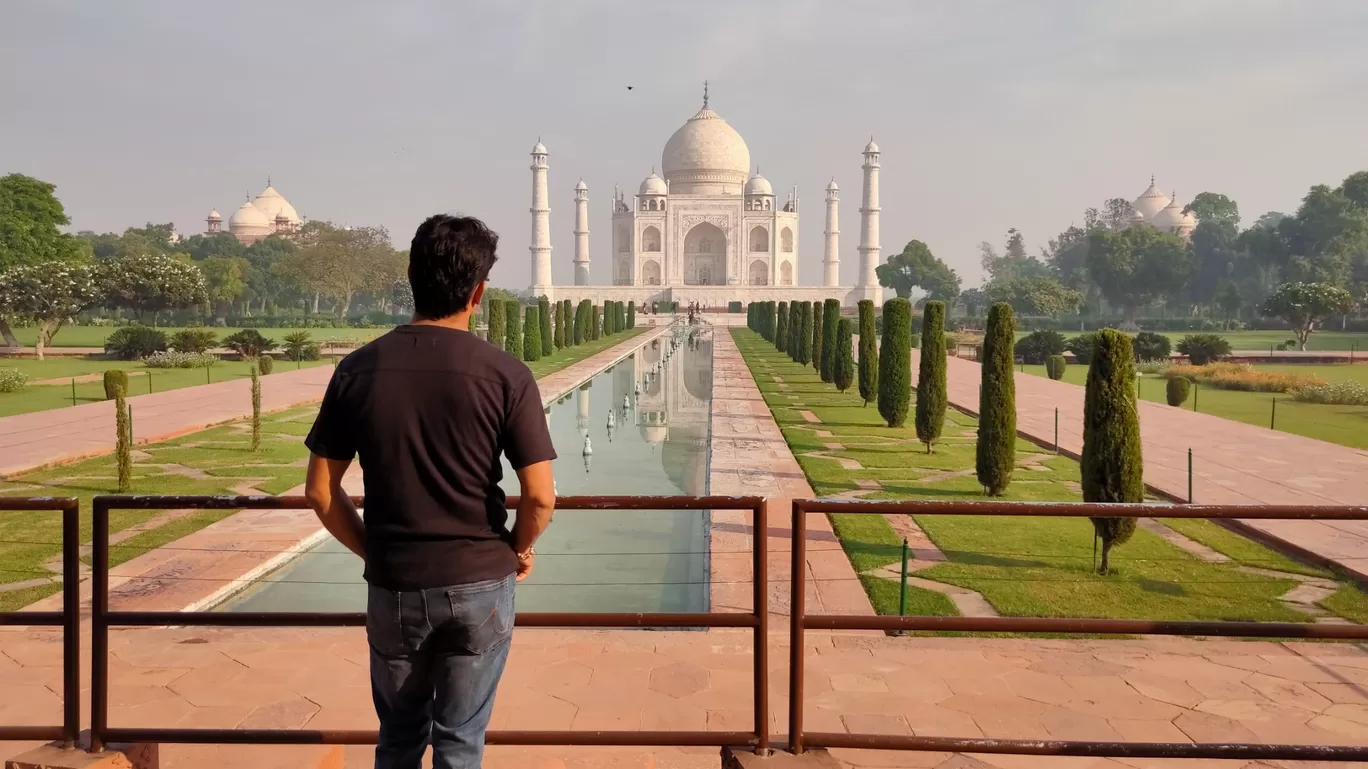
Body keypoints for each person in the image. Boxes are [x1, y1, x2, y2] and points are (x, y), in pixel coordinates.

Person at [303, 214, 557, 768]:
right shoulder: (505, 374)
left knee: (398, 739)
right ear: (479, 291)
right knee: (460, 742)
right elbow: (539, 497)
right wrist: (516, 548)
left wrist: (377, 549)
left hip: (395, 581)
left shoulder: (358, 369)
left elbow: (322, 492)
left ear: (411, 277)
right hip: (480, 580)